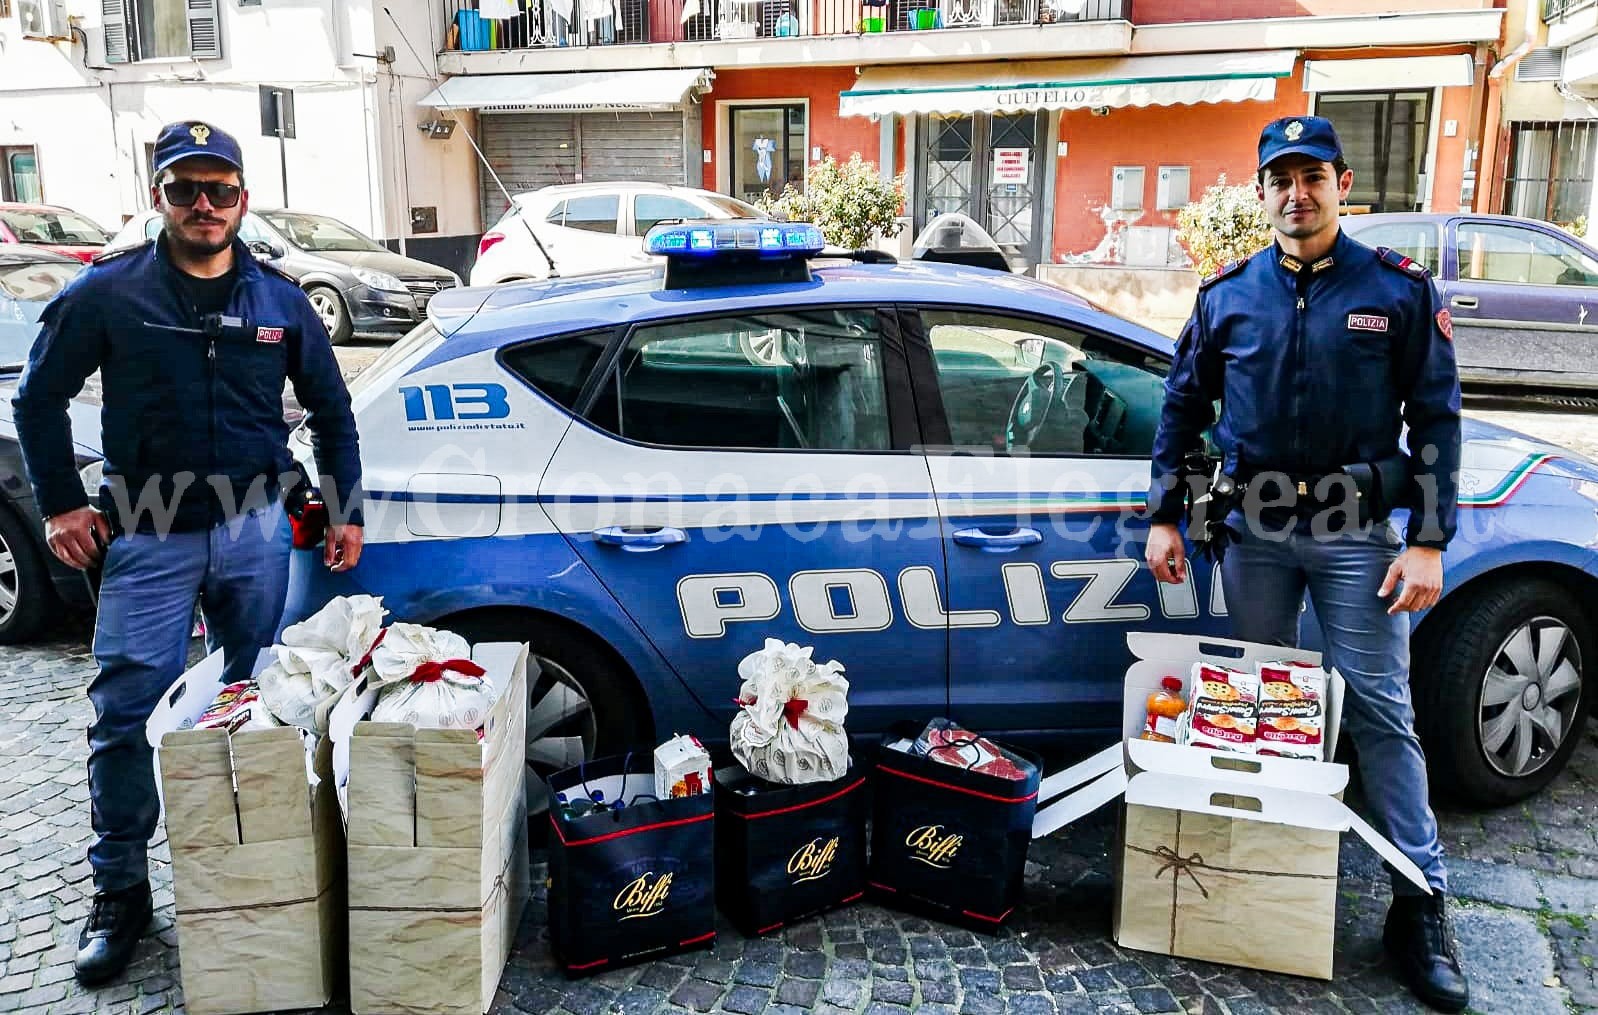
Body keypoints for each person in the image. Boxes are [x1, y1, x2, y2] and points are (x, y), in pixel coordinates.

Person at [11, 120, 365, 986]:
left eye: (219, 190)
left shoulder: (282, 303)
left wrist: (346, 508)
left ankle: (252, 868)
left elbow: (331, 409)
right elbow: (37, 399)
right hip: (147, 537)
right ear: (159, 196)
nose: (203, 206)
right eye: (184, 190)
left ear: (243, 198)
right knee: (127, 712)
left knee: (257, 704)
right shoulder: (108, 295)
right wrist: (59, 502)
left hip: (254, 533)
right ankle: (120, 890)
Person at [1144, 116, 1466, 1012]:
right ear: (1260, 192)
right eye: (1280, 178)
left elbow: (1437, 417)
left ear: (1343, 182)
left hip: (1356, 537)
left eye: (1312, 176)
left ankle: (1421, 900)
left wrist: (1431, 537)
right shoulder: (1228, 295)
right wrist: (1165, 515)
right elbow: (1181, 407)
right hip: (1252, 535)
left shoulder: (1395, 290)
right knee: (1258, 703)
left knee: (1379, 708)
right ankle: (1271, 871)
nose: (1298, 193)